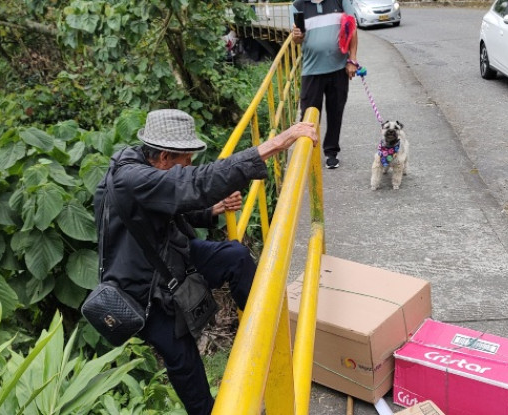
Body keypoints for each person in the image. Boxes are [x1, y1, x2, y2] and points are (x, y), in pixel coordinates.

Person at [93, 109, 316, 415]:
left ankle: (269, 342)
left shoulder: (143, 165)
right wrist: (273, 145)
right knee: (185, 365)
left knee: (235, 257)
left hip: (169, 257)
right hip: (143, 291)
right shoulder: (132, 179)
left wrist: (211, 211)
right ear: (163, 157)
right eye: (186, 160)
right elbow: (194, 183)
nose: (190, 165)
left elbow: (168, 205)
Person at [291, 0, 358, 169]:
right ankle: (308, 153)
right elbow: (297, 39)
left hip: (338, 68)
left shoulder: (340, 1)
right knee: (308, 116)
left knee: (336, 113)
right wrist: (296, 37)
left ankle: (331, 152)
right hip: (311, 71)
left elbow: (352, 29)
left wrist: (352, 60)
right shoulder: (298, 5)